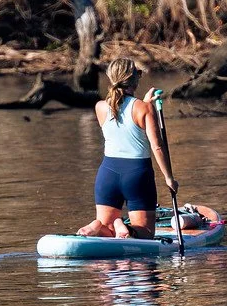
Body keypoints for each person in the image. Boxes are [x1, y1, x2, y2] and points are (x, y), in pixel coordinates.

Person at [77, 59, 179, 239]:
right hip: (137, 174)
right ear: (134, 80)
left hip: (107, 174)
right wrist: (169, 178)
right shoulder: (144, 108)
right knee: (146, 233)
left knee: (106, 231)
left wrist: (144, 104)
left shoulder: (100, 107)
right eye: (138, 74)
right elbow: (157, 146)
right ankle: (124, 227)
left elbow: (122, 119)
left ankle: (96, 226)